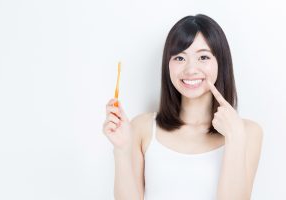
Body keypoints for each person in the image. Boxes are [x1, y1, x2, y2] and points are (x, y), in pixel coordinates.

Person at [103, 14, 263, 200]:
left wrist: (235, 137)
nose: (190, 69)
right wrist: (122, 149)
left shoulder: (249, 132)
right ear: (167, 65)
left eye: (203, 57)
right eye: (179, 58)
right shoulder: (142, 127)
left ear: (221, 62)